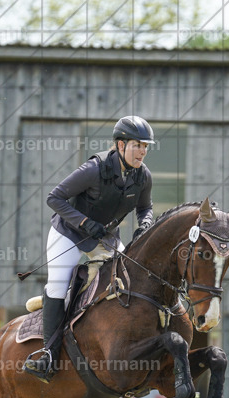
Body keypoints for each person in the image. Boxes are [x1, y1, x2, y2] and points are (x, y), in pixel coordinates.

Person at [23, 115, 156, 383]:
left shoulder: (143, 176)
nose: (143, 151)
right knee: (57, 286)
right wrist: (84, 222)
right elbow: (54, 197)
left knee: (128, 280)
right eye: (138, 145)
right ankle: (48, 355)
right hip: (69, 233)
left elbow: (145, 208)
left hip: (105, 237)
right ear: (121, 145)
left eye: (145, 146)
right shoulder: (94, 169)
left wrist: (146, 224)